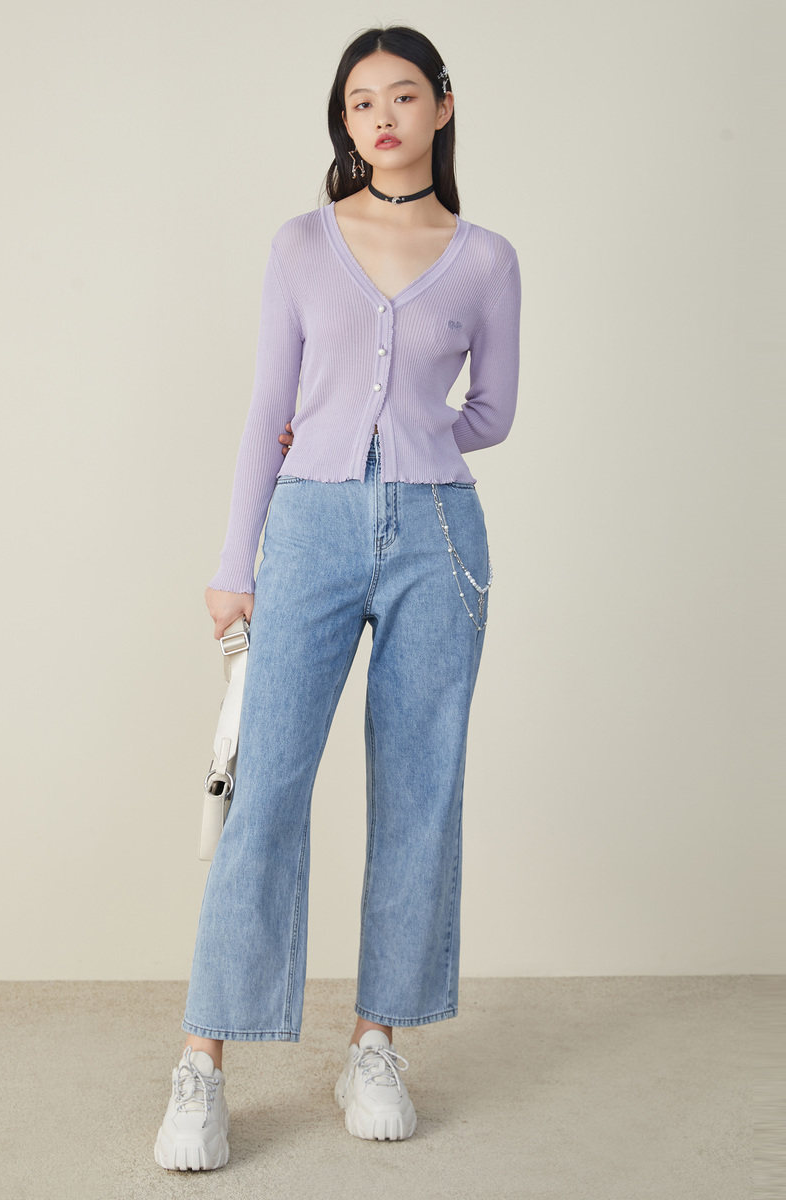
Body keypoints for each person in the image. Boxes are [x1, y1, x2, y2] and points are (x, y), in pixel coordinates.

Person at [154, 24, 521, 1171]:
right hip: (309, 530)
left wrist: (408, 435)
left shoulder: (487, 259)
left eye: (402, 96)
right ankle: (203, 1063)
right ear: (345, 119)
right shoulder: (303, 244)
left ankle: (376, 1043)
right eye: (361, 101)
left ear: (441, 107)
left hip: (438, 538)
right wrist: (235, 561)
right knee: (265, 791)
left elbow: (494, 412)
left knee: (420, 792)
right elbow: (268, 406)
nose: (381, 117)